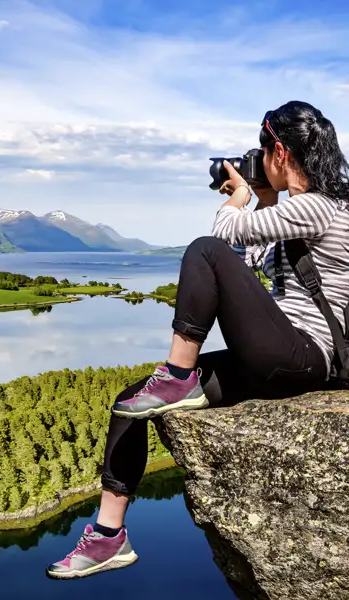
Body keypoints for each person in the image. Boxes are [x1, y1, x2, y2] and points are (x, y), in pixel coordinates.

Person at [47, 100, 349, 579]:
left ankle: (178, 373)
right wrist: (263, 200)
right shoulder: (298, 212)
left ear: (280, 152)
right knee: (131, 402)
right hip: (278, 356)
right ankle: (107, 537)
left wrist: (239, 197)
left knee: (203, 250)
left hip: (306, 356)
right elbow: (244, 264)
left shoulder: (321, 206)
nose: (257, 160)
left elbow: (223, 236)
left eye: (262, 151)